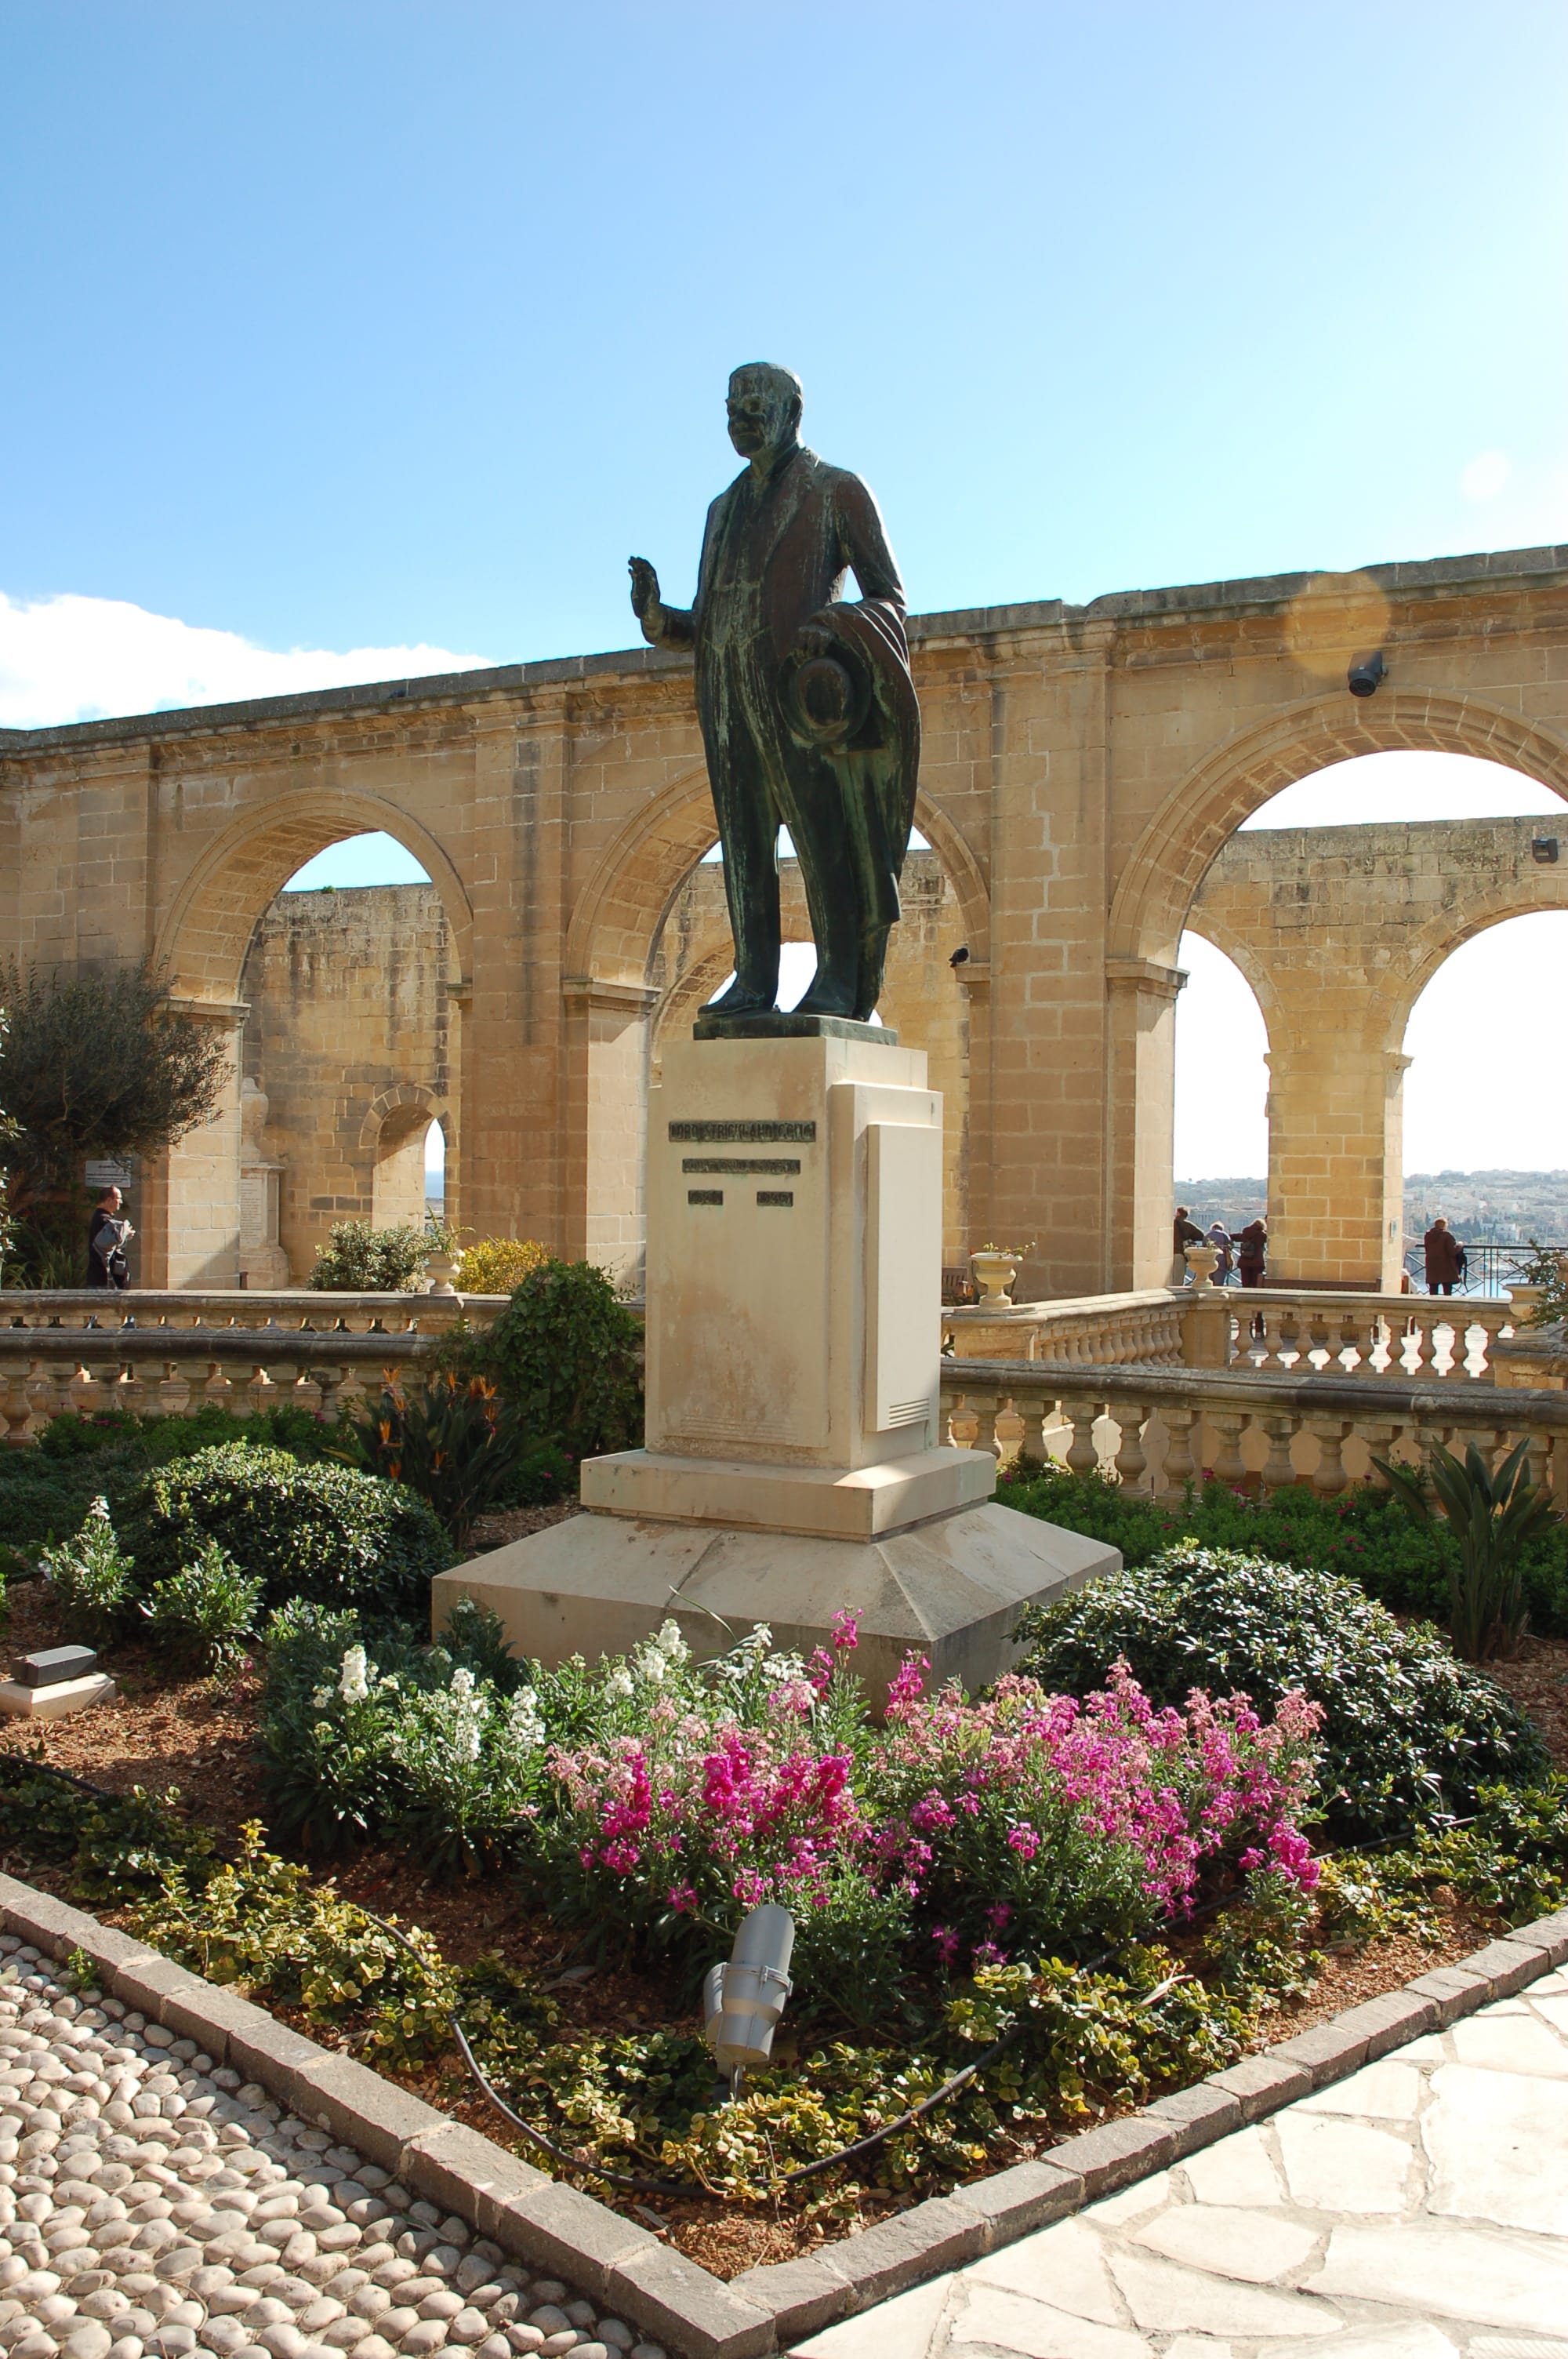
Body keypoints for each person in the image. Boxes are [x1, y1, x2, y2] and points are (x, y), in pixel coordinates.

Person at [629, 363, 919, 1023]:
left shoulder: (836, 491)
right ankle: (754, 978)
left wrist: (832, 628)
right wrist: (658, 618)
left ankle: (838, 979)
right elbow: (707, 622)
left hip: (800, 699)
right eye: (731, 405)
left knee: (823, 838)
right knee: (745, 842)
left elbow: (890, 598)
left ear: (792, 411)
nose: (741, 416)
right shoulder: (721, 511)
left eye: (755, 404)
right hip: (726, 698)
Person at [86, 1186, 133, 1290]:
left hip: (104, 1278)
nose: (121, 1202)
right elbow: (108, 1244)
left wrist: (125, 1235)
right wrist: (125, 1232)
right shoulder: (102, 1220)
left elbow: (115, 1242)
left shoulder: (103, 1219)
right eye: (118, 1198)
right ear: (109, 1200)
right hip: (101, 1278)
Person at [1424, 1216, 1465, 1297]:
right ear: (1445, 1226)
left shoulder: (1428, 1236)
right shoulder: (1447, 1236)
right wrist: (1460, 1245)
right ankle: (1446, 1306)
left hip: (1432, 1264)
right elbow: (1452, 1251)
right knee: (1447, 1289)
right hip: (1446, 1266)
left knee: (1433, 1289)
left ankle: (1432, 1306)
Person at [1171, 1205, 1203, 1285]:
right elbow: (1201, 1235)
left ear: (1177, 1213)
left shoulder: (1169, 1224)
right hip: (1179, 1253)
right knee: (1178, 1280)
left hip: (1167, 1254)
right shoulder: (1188, 1226)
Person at [1236, 1215, 1267, 1288]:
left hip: (1244, 1261)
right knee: (1256, 1284)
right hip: (1257, 1262)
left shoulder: (1246, 1233)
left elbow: (1236, 1237)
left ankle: (1244, 1297)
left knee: (1245, 1284)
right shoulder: (1262, 1235)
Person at [1206, 1219, 1234, 1284]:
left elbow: (1204, 1246)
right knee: (1219, 1283)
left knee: (1209, 1283)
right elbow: (1230, 1246)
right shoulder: (1224, 1235)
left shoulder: (1207, 1235)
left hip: (1209, 1261)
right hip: (1222, 1262)